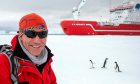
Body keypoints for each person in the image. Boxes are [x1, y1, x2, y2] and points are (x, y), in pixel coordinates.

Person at [0, 13, 57, 84]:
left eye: (42, 33)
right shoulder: (4, 62)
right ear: (20, 35)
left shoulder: (45, 60)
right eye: (30, 33)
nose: (37, 41)